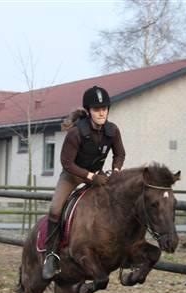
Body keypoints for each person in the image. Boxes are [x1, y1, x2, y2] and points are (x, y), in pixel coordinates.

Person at [41, 85, 126, 280]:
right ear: (89, 111)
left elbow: (120, 153)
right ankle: (51, 256)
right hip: (72, 177)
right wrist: (90, 177)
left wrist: (115, 171)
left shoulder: (112, 131)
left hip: (99, 177)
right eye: (97, 109)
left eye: (104, 108)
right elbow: (67, 162)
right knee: (55, 209)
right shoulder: (76, 133)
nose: (101, 112)